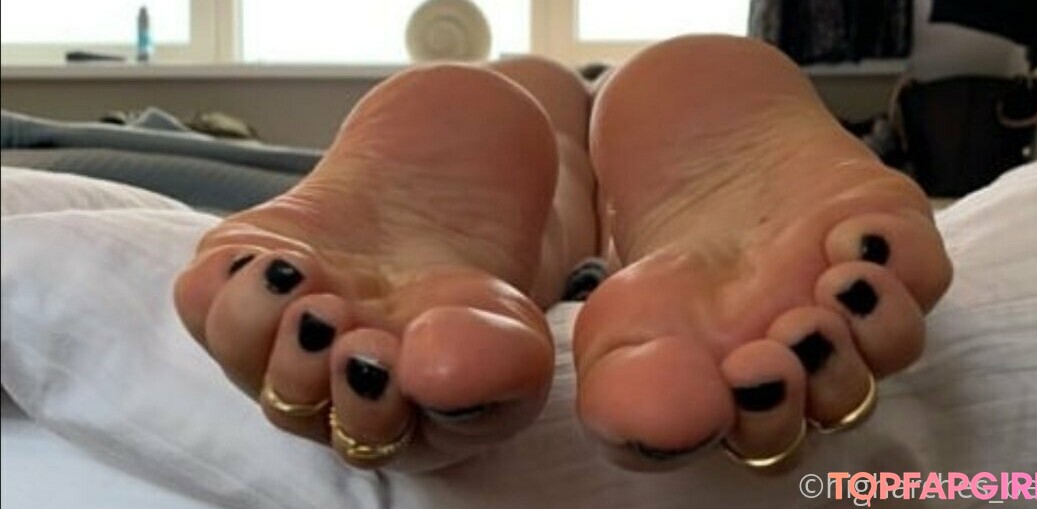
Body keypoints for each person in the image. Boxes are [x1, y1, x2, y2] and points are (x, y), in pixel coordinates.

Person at [173, 35, 951, 473]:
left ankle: (525, 218)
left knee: (544, 156)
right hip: (631, 178)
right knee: (570, 191)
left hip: (541, 176)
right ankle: (644, 225)